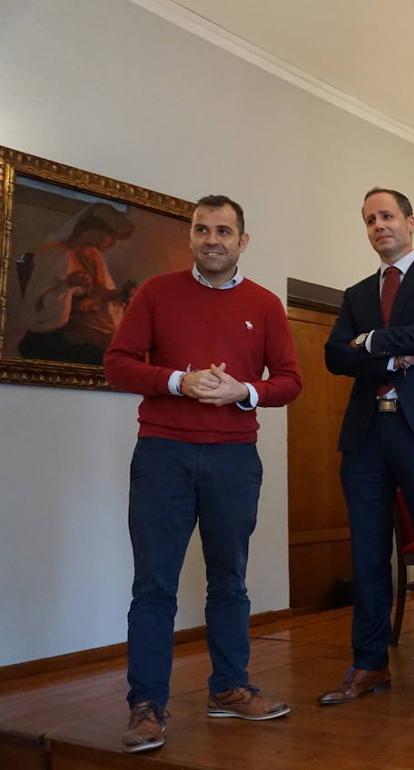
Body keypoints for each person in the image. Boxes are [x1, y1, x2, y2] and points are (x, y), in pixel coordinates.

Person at [103, 194, 302, 754]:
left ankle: (231, 688)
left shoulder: (264, 304)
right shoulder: (156, 293)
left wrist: (245, 391)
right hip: (163, 454)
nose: (211, 239)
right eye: (201, 230)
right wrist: (177, 382)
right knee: (154, 584)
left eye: (223, 230)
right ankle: (146, 706)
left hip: (234, 457)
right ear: (190, 237)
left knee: (230, 579)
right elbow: (117, 363)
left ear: (243, 240)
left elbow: (289, 380)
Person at [320, 187, 414, 713]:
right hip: (365, 435)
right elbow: (333, 356)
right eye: (369, 220)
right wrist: (400, 353)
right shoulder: (356, 293)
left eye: (386, 216)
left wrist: (370, 343)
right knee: (366, 554)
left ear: (411, 221)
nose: (378, 225)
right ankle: (369, 663)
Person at [20, 203, 136, 364]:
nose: (112, 244)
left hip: (90, 323)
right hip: (60, 326)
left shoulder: (94, 255)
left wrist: (119, 294)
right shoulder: (57, 253)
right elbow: (41, 301)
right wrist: (67, 286)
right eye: (112, 237)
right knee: (105, 354)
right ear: (95, 231)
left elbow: (98, 294)